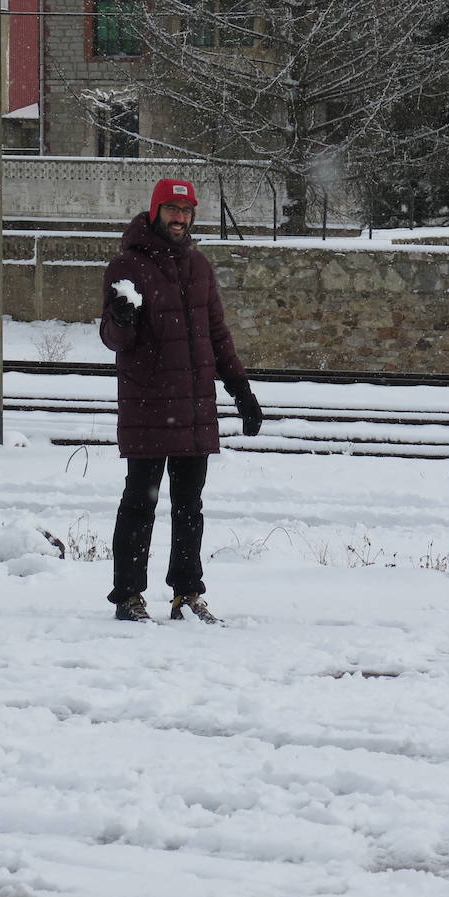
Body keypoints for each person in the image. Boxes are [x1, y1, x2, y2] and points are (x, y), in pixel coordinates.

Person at [99, 178, 263, 623]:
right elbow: (114, 340)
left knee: (190, 507)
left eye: (186, 210)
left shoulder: (199, 267)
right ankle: (129, 596)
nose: (180, 217)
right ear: (155, 212)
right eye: (172, 209)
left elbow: (217, 337)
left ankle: (186, 594)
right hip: (149, 405)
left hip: (194, 409)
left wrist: (241, 392)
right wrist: (120, 320)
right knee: (140, 503)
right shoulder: (126, 267)